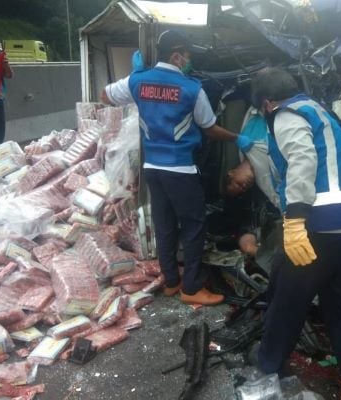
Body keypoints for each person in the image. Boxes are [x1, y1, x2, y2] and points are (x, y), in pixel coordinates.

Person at [251, 68, 341, 399]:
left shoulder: (285, 115)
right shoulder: (317, 109)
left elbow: (302, 160)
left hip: (319, 225)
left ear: (267, 103)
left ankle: (268, 365)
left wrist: (295, 221)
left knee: (287, 298)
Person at [101, 29, 253, 306]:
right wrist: (237, 137)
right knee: (194, 225)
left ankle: (171, 281)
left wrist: (137, 79)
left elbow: (105, 96)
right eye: (187, 56)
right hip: (181, 169)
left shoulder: (138, 80)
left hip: (153, 169)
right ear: (176, 55)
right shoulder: (192, 89)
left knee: (165, 224)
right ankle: (192, 288)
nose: (189, 61)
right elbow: (211, 129)